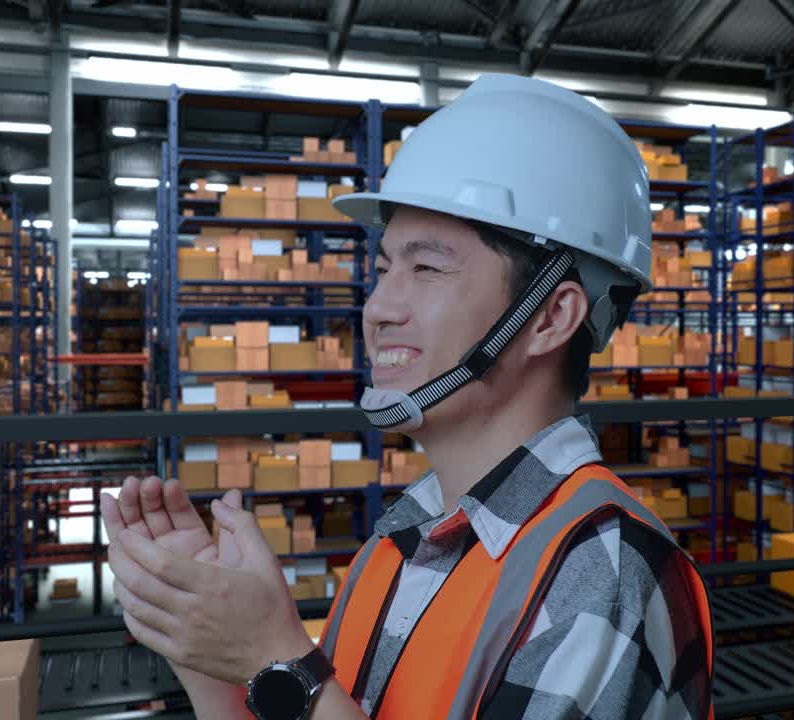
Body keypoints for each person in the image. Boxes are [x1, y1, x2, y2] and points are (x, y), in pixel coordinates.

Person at [103, 73, 714, 720]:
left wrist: (275, 659)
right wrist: (208, 654)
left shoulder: (603, 572)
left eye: (427, 268)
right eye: (386, 268)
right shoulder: (408, 531)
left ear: (551, 319)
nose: (378, 308)